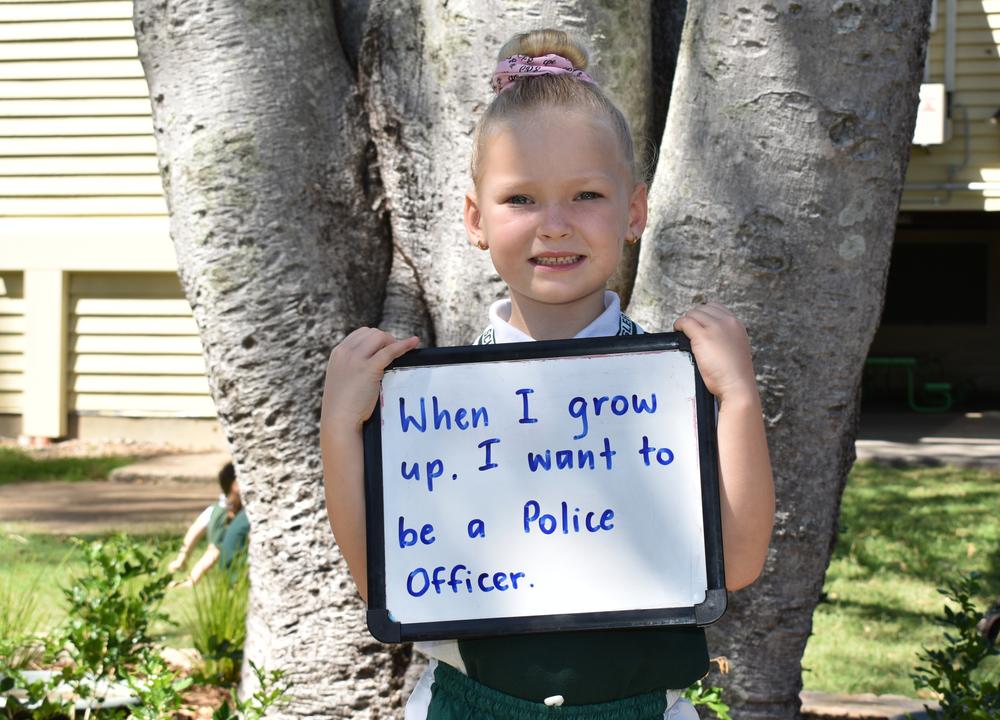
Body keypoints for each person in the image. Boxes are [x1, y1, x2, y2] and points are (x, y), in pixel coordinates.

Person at [320, 28, 775, 720]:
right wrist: (342, 428)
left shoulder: (679, 385)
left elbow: (736, 564)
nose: (555, 224)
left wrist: (737, 399)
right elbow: (378, 576)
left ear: (634, 211)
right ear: (475, 219)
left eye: (586, 195)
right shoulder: (425, 403)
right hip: (467, 706)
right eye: (522, 199)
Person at [171, 462, 250, 588]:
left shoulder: (218, 508)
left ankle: (183, 562)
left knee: (210, 545)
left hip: (219, 508)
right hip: (225, 514)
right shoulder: (227, 512)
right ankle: (189, 574)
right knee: (214, 549)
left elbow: (196, 530)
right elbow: (212, 550)